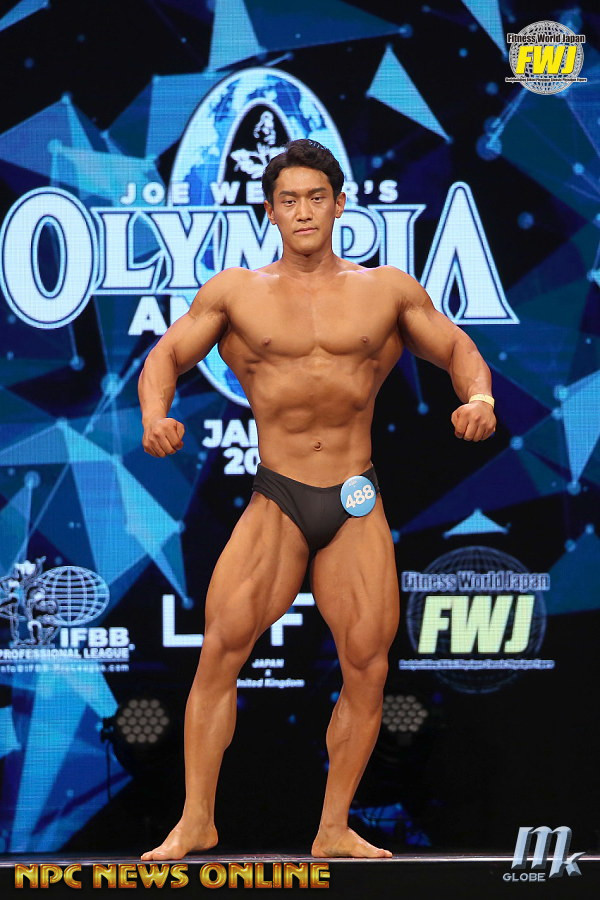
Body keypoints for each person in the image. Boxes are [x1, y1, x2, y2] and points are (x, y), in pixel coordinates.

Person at [138, 139, 496, 860]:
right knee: (221, 651)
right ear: (270, 211)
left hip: (354, 497)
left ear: (339, 204)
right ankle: (197, 819)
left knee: (368, 665)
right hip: (279, 494)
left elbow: (457, 348)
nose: (303, 211)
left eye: (315, 198)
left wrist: (479, 397)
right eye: (288, 200)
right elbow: (167, 355)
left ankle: (333, 827)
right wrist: (154, 416)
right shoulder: (236, 292)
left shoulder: (386, 290)